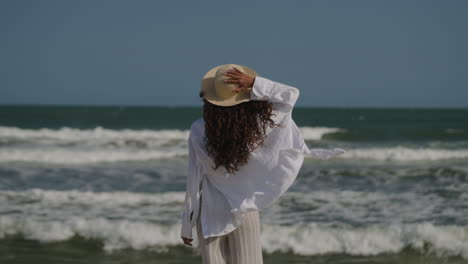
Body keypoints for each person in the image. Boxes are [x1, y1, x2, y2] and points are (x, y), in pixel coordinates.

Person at [180, 64, 345, 264]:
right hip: (244, 208)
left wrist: (187, 225)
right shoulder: (259, 127)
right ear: (247, 96)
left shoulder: (199, 129)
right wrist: (255, 84)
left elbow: (194, 178)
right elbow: (290, 95)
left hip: (209, 213)